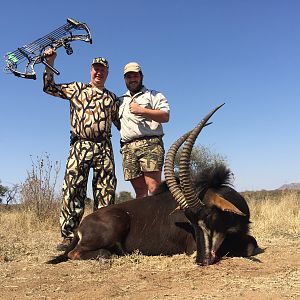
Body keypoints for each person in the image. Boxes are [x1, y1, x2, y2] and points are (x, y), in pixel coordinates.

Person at [43, 48, 120, 251]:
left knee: (106, 191)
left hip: (104, 147)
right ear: (90, 71)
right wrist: (50, 62)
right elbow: (49, 87)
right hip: (80, 145)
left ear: (107, 73)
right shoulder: (77, 89)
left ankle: (104, 236)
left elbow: (124, 123)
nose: (98, 72)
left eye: (102, 70)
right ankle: (69, 236)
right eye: (95, 69)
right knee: (72, 189)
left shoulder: (113, 99)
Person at [119, 62, 170, 198]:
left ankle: (159, 219)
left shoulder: (154, 95)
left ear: (141, 76)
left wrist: (142, 110)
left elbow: (165, 116)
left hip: (150, 144)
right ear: (125, 79)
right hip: (128, 148)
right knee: (140, 193)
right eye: (129, 77)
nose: (132, 79)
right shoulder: (120, 101)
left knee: (154, 189)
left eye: (135, 75)